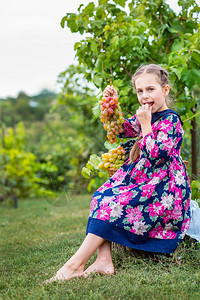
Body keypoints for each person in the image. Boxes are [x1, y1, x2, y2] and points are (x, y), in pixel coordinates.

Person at [45, 64, 191, 283]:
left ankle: (74, 265)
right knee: (100, 197)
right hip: (146, 180)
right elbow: (122, 130)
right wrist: (111, 105)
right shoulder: (146, 115)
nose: (144, 96)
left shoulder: (172, 120)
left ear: (165, 90)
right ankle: (104, 261)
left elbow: (156, 155)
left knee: (112, 203)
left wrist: (146, 125)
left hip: (164, 188)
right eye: (140, 91)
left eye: (150, 89)